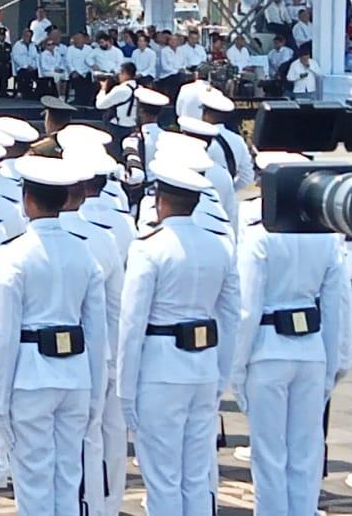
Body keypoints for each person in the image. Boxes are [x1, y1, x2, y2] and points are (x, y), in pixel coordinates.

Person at [116, 162, 238, 516]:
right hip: (203, 369)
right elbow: (230, 317)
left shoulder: (148, 248)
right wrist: (221, 373)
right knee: (196, 477)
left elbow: (132, 323)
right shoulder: (219, 246)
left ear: (160, 201)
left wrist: (126, 388)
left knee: (163, 480)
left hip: (160, 371)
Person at [0, 156, 107, 516]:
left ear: (27, 201)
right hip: (75, 377)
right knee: (67, 479)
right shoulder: (83, 252)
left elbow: (4, 334)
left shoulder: (13, 254)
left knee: (34, 483)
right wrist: (95, 394)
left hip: (30, 380)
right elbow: (97, 334)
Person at [229, 179, 347, 516]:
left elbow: (247, 311)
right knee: (306, 454)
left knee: (269, 456)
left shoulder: (259, 239)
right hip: (310, 351)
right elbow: (334, 308)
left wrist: (237, 368)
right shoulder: (326, 240)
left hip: (267, 352)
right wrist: (330, 365)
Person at [10, 29, 40, 99]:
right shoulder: (17, 45)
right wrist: (26, 66)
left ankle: (37, 93)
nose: (28, 38)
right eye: (26, 36)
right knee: (26, 74)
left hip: (33, 67)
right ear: (23, 36)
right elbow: (16, 58)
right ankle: (25, 93)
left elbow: (37, 57)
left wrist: (34, 66)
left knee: (40, 76)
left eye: (29, 36)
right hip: (21, 68)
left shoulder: (34, 45)